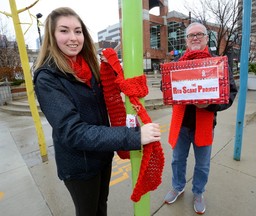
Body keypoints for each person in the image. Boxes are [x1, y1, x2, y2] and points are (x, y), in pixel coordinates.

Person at [33, 7, 161, 216]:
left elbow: (108, 100)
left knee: (102, 205)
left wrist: (116, 75)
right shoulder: (48, 78)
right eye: (64, 31)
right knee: (88, 212)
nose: (73, 38)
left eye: (78, 31)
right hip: (79, 165)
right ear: (52, 36)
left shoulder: (89, 68)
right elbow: (72, 131)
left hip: (102, 156)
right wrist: (133, 136)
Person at [163, 22, 238, 214]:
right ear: (186, 40)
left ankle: (198, 192)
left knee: (202, 164)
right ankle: (178, 186)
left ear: (206, 38)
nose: (195, 38)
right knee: (178, 159)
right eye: (191, 35)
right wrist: (168, 89)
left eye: (199, 34)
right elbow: (166, 89)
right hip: (181, 125)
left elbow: (230, 93)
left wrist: (210, 105)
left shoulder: (219, 63)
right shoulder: (176, 64)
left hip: (204, 124)